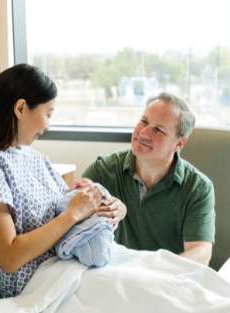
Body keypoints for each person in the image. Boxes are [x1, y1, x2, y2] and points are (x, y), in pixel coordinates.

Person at [0, 64, 120, 298]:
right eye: (48, 113)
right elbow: (9, 256)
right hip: (40, 283)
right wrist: (73, 214)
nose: (48, 125)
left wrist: (110, 207)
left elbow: (59, 209)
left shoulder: (35, 158)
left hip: (67, 265)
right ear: (21, 108)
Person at [82, 93, 215, 266]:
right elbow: (70, 221)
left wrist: (152, 271)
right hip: (115, 277)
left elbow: (201, 252)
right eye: (144, 122)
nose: (143, 133)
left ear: (179, 144)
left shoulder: (198, 188)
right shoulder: (102, 172)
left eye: (158, 130)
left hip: (167, 280)